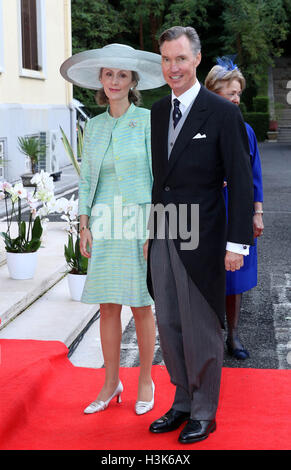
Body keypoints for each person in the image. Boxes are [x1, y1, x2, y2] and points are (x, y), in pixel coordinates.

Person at [146, 26, 254, 444]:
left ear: (196, 59)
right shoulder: (157, 112)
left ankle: (205, 411)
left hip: (203, 233)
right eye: (166, 59)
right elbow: (161, 180)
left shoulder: (223, 113)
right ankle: (183, 401)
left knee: (201, 326)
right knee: (170, 322)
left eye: (180, 59)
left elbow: (241, 184)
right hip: (165, 231)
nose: (172, 67)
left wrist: (235, 243)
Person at [60, 44, 165, 415]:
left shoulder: (150, 120)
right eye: (109, 74)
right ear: (100, 81)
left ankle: (146, 380)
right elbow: (87, 179)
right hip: (104, 223)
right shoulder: (94, 125)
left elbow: (159, 178)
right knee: (107, 306)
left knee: (141, 305)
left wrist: (155, 228)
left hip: (138, 220)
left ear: (133, 80)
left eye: (122, 75)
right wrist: (84, 224)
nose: (115, 81)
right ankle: (110, 382)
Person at [205, 57, 264, 360]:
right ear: (214, 92)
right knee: (209, 273)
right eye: (231, 93)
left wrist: (257, 211)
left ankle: (233, 335)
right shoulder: (198, 126)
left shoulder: (247, 130)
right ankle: (212, 336)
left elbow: (254, 174)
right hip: (208, 210)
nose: (237, 98)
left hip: (237, 210)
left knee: (235, 277)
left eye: (239, 93)